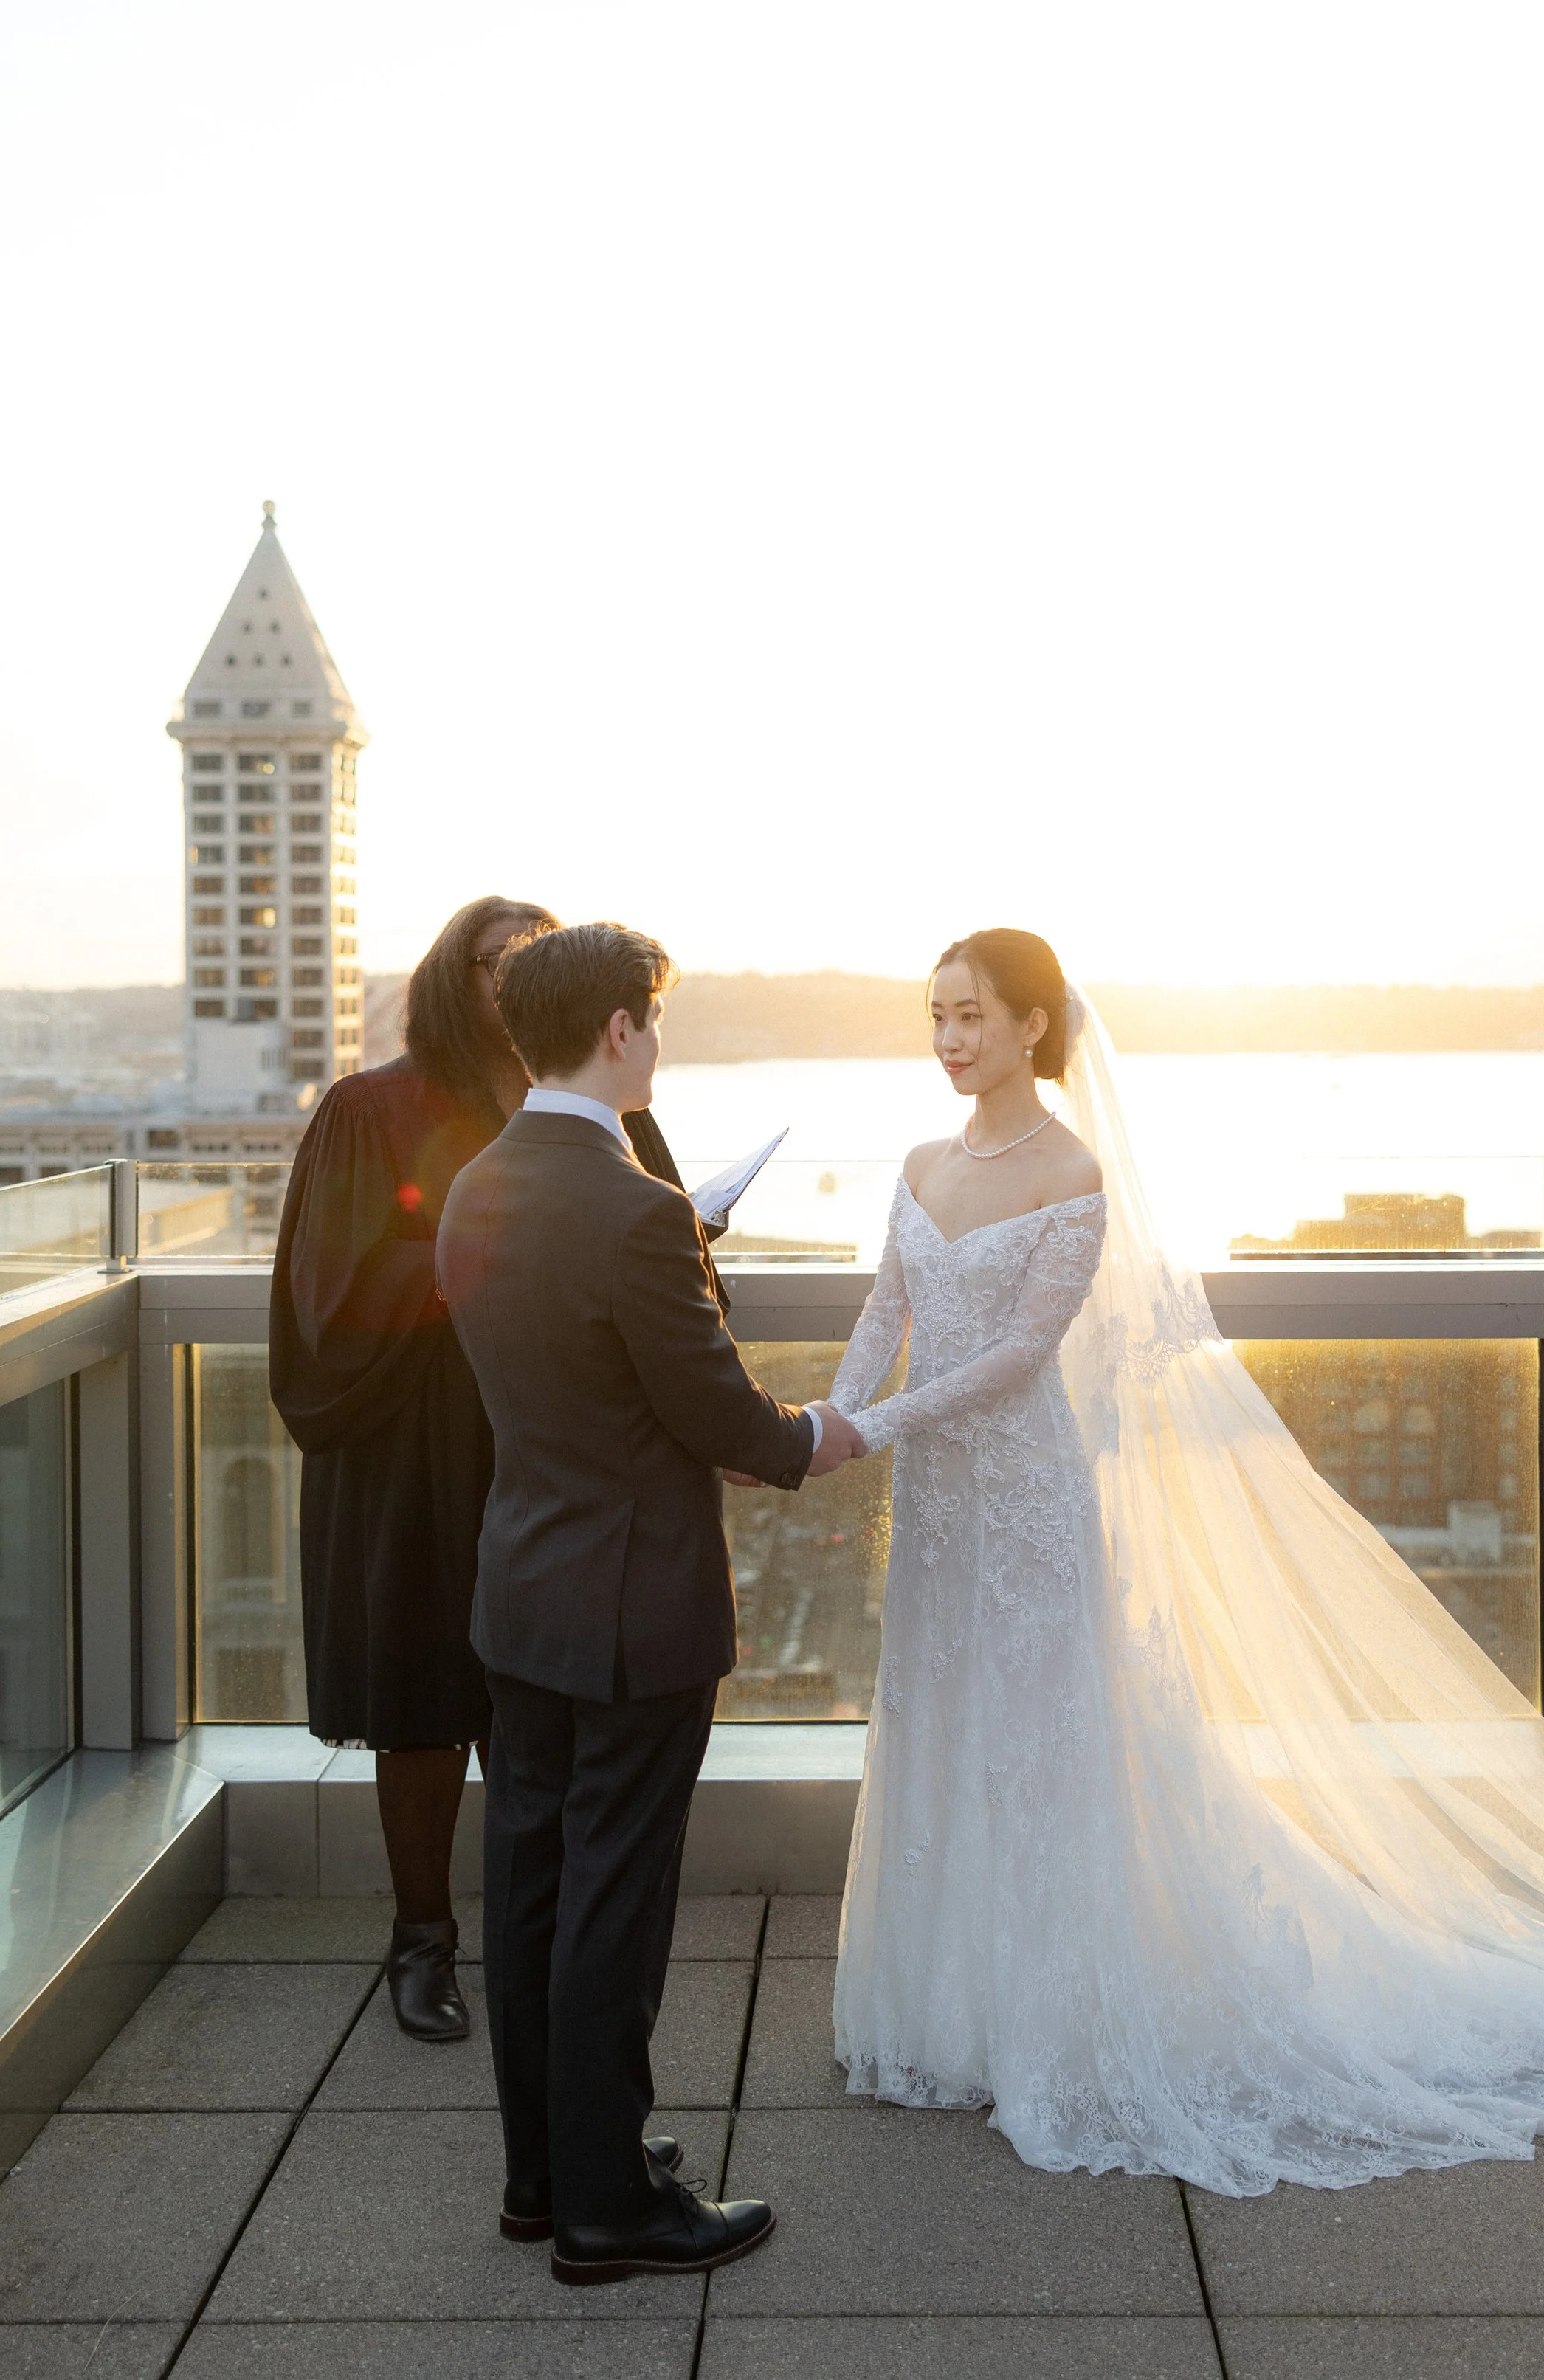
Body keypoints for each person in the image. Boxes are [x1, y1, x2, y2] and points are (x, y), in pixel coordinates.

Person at [825, 925, 1544, 2192]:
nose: (952, 1039)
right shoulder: (917, 1162)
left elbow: (1019, 1357)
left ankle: (1051, 2019)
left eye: (972, 1015)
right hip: (941, 1511)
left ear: (1031, 1025)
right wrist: (817, 1424)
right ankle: (944, 2013)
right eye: (936, 1016)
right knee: (941, 1722)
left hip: (1026, 1505)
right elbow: (880, 1318)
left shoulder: (1073, 1173)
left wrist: (865, 1425)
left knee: (1039, 1744)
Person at [437, 921, 864, 2284]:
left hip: (524, 1591)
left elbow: (572, 1378)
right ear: (620, 1029)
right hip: (632, 1608)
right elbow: (717, 1409)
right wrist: (820, 1435)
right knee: (614, 1907)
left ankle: (547, 2173)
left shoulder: (475, 1185)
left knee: (533, 1888)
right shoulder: (636, 1209)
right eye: (657, 1023)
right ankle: (612, 2210)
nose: (661, 1045)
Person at [269, 893, 706, 2043]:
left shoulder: (599, 1104)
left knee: (548, 1707)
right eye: (492, 960)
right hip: (418, 1442)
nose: (513, 978)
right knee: (422, 1698)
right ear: (448, 977)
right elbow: (333, 1290)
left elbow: (675, 1258)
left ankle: (553, 1939)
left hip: (562, 1444)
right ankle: (422, 1942)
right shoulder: (373, 1109)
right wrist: (486, 1257)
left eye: (532, 959)